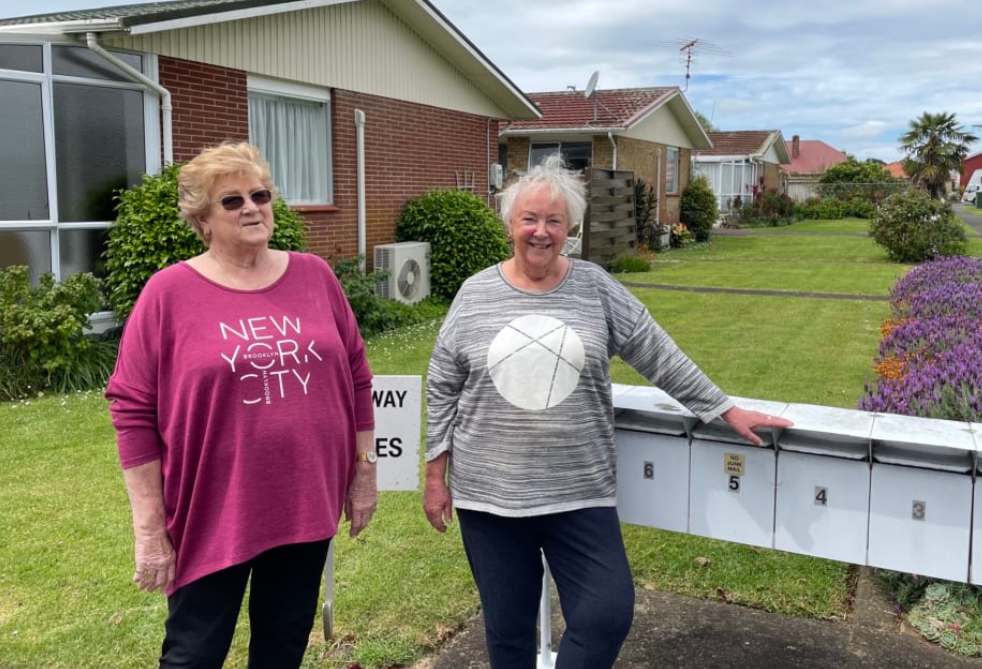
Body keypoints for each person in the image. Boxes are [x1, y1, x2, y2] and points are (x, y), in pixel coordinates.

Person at [422, 154, 792, 669]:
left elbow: (657, 353)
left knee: (605, 615)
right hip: (492, 496)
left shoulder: (595, 287)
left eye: (554, 221)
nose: (541, 232)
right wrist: (435, 473)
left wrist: (724, 410)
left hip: (579, 490)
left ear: (570, 227)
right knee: (508, 632)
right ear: (510, 224)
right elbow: (443, 383)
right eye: (530, 219)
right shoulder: (476, 293)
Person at [105, 141, 377, 669]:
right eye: (232, 201)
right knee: (193, 654)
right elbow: (132, 408)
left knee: (283, 646)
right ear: (203, 220)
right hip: (215, 510)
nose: (252, 207)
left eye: (260, 195)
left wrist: (365, 472)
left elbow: (357, 377)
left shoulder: (315, 275)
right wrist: (149, 529)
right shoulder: (168, 293)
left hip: (304, 502)